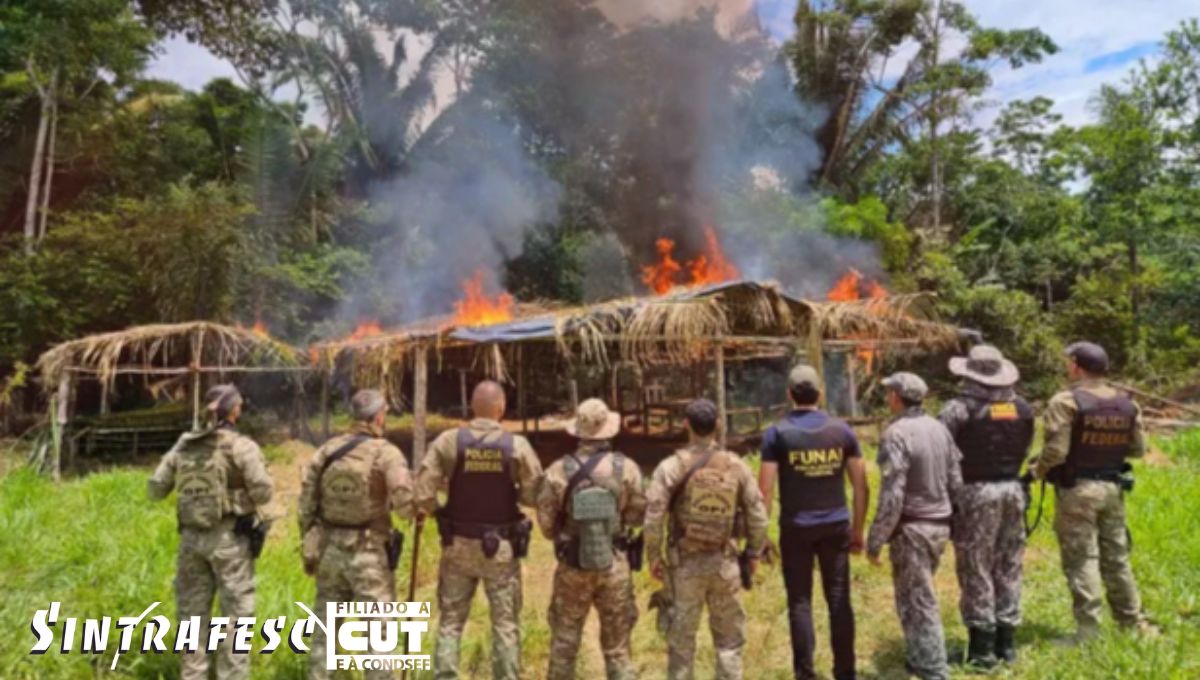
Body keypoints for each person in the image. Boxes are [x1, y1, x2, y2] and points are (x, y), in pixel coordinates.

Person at [415, 380, 543, 680]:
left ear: (472, 407)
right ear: (501, 409)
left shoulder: (449, 441)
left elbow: (422, 493)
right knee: (505, 624)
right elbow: (534, 495)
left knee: (450, 622)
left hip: (457, 544)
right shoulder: (517, 446)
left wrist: (441, 512)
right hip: (500, 549)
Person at [148, 384, 274, 680]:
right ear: (234, 410)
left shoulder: (185, 444)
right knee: (237, 619)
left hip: (191, 541)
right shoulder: (241, 446)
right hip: (229, 540)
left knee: (191, 619)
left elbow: (156, 488)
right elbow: (264, 491)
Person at [1031, 342, 1154, 643]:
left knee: (1082, 559)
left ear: (1076, 366)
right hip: (1113, 489)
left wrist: (1037, 471)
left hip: (1078, 492)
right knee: (1117, 557)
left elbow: (1056, 451)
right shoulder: (1127, 404)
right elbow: (1138, 449)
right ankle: (1132, 624)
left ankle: (1088, 633)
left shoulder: (1065, 401)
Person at [644, 398, 769, 680]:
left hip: (684, 566)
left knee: (681, 644)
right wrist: (752, 554)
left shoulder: (670, 468)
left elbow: (653, 517)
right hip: (724, 563)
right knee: (729, 643)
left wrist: (654, 557)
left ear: (685, 425)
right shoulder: (735, 466)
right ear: (719, 425)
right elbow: (758, 516)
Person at [758, 365, 867, 680]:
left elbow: (765, 488)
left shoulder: (777, 433)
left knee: (800, 601)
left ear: (789, 395)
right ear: (820, 394)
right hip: (835, 523)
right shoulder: (842, 431)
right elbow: (861, 484)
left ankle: (805, 673)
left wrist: (761, 535)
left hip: (796, 527)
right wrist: (858, 529)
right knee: (839, 598)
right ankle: (846, 672)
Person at [298, 389, 413, 679]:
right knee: (376, 636)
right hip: (370, 556)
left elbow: (306, 505)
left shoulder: (326, 452)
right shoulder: (386, 453)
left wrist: (310, 545)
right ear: (378, 416)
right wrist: (418, 510)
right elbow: (403, 504)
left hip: (329, 553)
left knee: (325, 631)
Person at [536, 398, 646, 680]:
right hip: (614, 565)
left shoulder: (558, 470)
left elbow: (547, 526)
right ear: (608, 429)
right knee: (618, 649)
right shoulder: (628, 469)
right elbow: (636, 516)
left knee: (564, 644)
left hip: (573, 566)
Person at [938, 345, 1035, 666]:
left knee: (975, 567)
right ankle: (1007, 645)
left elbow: (942, 455)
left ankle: (981, 650)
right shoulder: (1022, 407)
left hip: (974, 494)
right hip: (1013, 490)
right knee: (1009, 564)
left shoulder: (957, 409)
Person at [866, 373, 961, 680]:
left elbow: (893, 493)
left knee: (919, 601)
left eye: (889, 392)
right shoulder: (940, 429)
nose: (887, 398)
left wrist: (876, 538)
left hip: (913, 530)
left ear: (896, 396)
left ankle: (934, 669)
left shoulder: (897, 433)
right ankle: (919, 657)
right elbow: (955, 480)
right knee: (915, 595)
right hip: (939, 524)